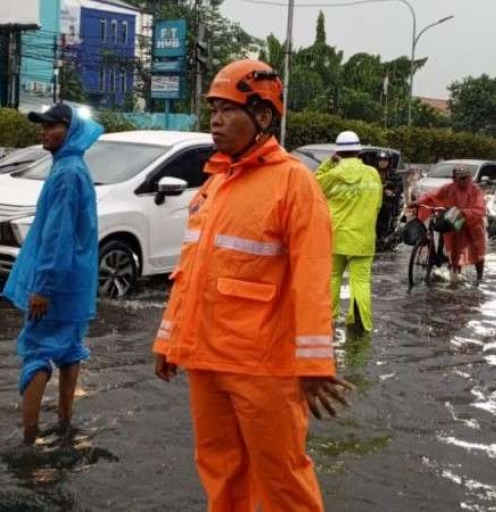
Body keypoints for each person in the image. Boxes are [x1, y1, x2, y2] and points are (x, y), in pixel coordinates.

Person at [152, 59, 353, 512]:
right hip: (206, 357)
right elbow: (190, 272)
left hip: (264, 366)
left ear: (263, 116)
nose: (216, 121)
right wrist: (169, 339)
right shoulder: (215, 183)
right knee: (220, 472)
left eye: (228, 110)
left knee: (282, 479)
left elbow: (312, 276)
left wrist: (315, 362)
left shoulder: (293, 183)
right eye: (213, 111)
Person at [1, 103, 103, 445]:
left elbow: (57, 235)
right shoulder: (74, 167)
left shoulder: (65, 174)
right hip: (76, 281)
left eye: (52, 125)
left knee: (37, 351)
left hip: (56, 282)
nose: (44, 131)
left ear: (70, 130)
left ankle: (29, 436)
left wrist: (43, 286)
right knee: (70, 348)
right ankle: (65, 420)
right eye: (42, 125)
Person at [315, 131, 382, 332]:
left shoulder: (332, 175)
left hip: (336, 236)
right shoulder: (372, 173)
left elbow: (313, 185)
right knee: (361, 281)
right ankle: (361, 322)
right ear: (358, 151)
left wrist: (328, 164)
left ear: (338, 153)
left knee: (333, 277)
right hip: (363, 238)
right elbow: (378, 204)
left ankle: (329, 319)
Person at [415, 165, 487, 284]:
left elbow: (479, 208)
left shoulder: (475, 190)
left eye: (466, 178)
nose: (464, 181)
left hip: (473, 224)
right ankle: (455, 277)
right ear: (454, 179)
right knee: (454, 248)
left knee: (478, 250)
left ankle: (479, 278)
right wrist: (417, 202)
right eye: (461, 178)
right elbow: (431, 195)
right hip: (455, 220)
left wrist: (463, 212)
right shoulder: (448, 188)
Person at [375, 150, 405, 243]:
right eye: (380, 160)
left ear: (389, 161)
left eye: (385, 160)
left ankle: (385, 238)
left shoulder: (395, 175)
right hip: (374, 202)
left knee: (385, 219)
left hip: (388, 203)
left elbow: (399, 188)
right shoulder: (373, 173)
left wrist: (392, 192)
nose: (382, 162)